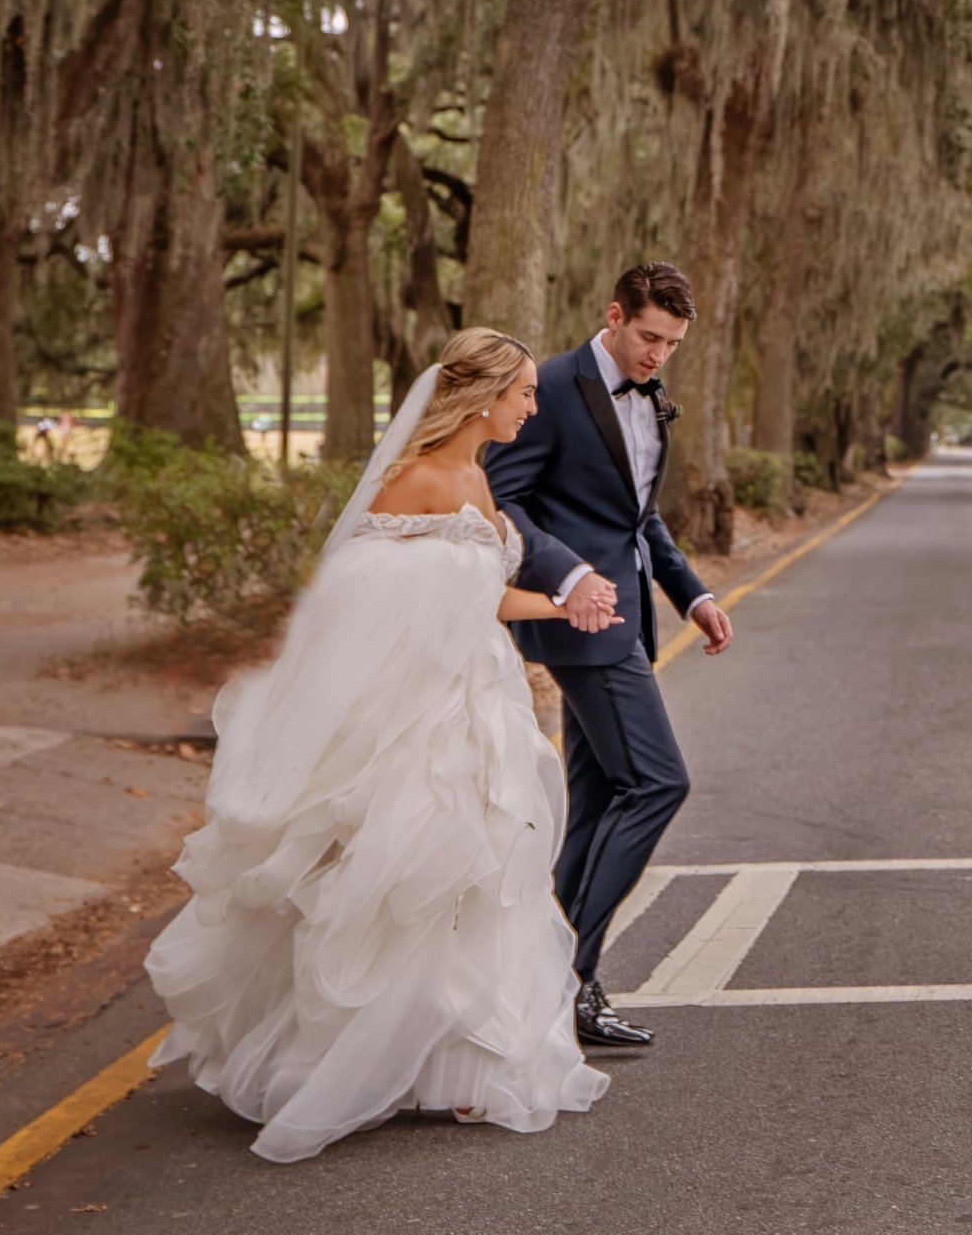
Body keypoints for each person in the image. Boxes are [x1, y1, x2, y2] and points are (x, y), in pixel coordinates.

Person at [146, 328, 614, 1163]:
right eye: (523, 395)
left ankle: (458, 1068)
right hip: (419, 713)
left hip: (483, 698)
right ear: (480, 397)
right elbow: (360, 597)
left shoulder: (477, 475)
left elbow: (480, 594)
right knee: (407, 879)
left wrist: (560, 608)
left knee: (481, 879)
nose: (533, 406)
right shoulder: (415, 479)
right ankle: (355, 1064)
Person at [489, 262, 733, 1049]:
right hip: (581, 622)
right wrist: (567, 575)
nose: (658, 355)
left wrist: (692, 594)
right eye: (649, 336)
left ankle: (544, 980)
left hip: (628, 618)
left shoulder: (652, 399)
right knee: (660, 781)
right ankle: (569, 978)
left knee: (596, 806)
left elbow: (638, 518)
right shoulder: (552, 388)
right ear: (615, 315)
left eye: (672, 344)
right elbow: (506, 501)